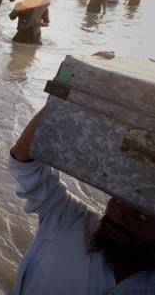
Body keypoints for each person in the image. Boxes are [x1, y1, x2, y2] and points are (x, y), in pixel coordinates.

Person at [9, 110, 155, 294]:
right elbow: (24, 162)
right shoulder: (71, 220)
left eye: (141, 216)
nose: (119, 215)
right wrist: (65, 96)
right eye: (118, 199)